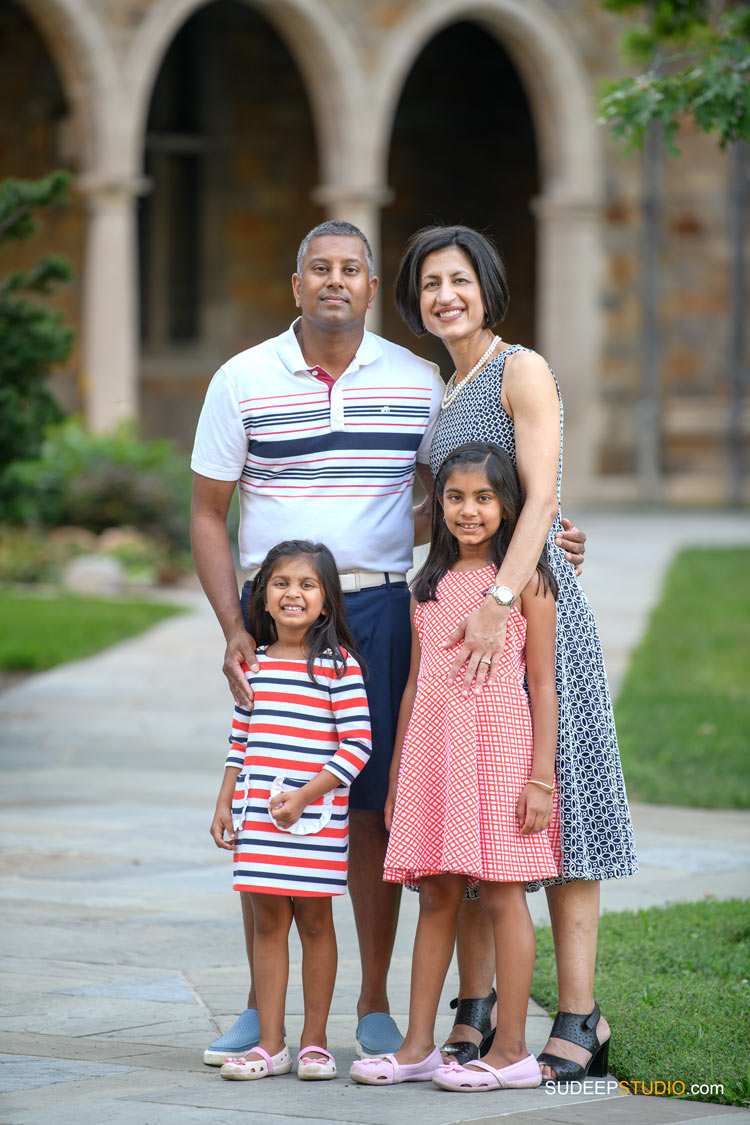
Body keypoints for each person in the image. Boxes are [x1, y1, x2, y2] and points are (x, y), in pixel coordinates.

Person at [191, 219, 586, 1063]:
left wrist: (535, 528)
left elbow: (464, 489)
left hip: (379, 608)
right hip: (281, 619)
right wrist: (234, 625)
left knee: (373, 806)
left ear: (372, 290)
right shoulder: (241, 378)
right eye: (319, 269)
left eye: (353, 270)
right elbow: (205, 510)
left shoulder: (417, 382)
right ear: (295, 283)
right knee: (271, 785)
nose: (336, 281)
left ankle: (374, 1004)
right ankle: (262, 1012)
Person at [394, 225, 637, 1082]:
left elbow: (540, 498)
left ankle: (580, 1016)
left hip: (525, 610)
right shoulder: (442, 380)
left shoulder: (519, 367)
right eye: (430, 284)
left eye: (459, 280)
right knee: (472, 820)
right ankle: (476, 1008)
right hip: (465, 613)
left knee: (557, 804)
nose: (444, 296)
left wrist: (502, 600)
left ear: (488, 287)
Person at [350, 442, 563, 1092]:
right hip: (432, 758)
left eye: (483, 497)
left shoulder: (527, 581)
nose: (468, 510)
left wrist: (541, 777)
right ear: (437, 504)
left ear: (508, 506)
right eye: (455, 497)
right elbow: (414, 685)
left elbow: (544, 685)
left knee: (500, 891)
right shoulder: (427, 583)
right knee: (438, 892)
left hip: (500, 754)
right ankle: (418, 1045)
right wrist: (396, 779)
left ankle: (513, 1052)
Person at [209, 540, 371, 1082]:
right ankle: (270, 1045)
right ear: (262, 596)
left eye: (307, 584)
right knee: (267, 924)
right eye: (281, 583)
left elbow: (357, 746)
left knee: (316, 925)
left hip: (315, 819)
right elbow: (241, 737)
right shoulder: (252, 661)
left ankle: (314, 1043)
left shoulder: (337, 665)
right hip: (259, 816)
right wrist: (226, 800)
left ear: (327, 600)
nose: (293, 594)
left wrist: (305, 795)